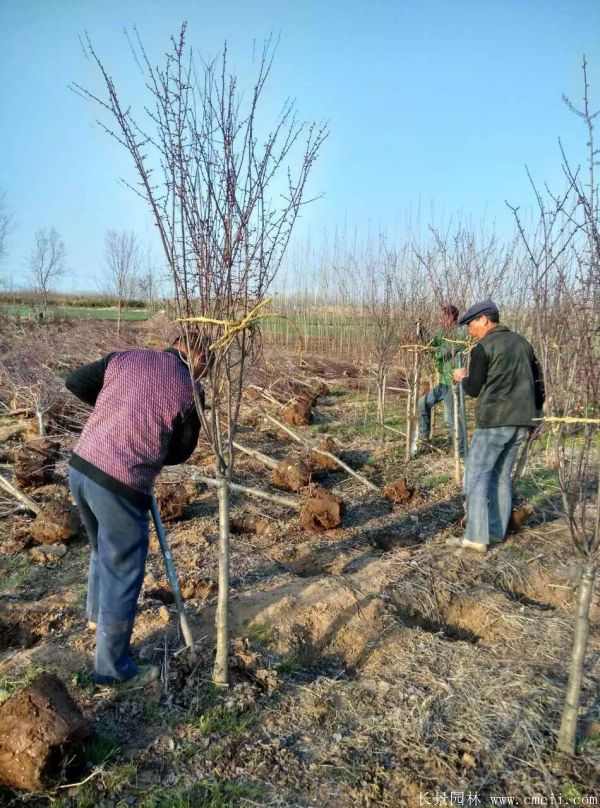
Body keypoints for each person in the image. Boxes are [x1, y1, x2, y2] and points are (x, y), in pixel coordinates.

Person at [65, 332, 207, 686]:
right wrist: (148, 436)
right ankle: (111, 670)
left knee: (102, 549)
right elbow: (181, 452)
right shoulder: (191, 389)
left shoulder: (127, 358)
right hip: (121, 483)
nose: (206, 374)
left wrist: (117, 408)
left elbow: (76, 381)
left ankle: (97, 617)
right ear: (200, 357)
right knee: (124, 569)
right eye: (208, 365)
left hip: (81, 466)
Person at [448, 300, 544, 552]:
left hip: (494, 421)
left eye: (471, 323)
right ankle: (495, 532)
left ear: (485, 320)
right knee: (501, 477)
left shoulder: (483, 347)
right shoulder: (524, 343)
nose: (469, 329)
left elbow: (473, 389)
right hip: (522, 421)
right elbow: (538, 382)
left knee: (478, 477)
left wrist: (462, 377)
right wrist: (536, 415)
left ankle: (476, 538)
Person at [415, 303, 467, 456]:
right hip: (443, 383)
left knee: (452, 418)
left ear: (451, 317)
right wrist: (421, 331)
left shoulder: (460, 334)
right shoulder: (441, 333)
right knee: (422, 404)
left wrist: (433, 352)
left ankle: (460, 450)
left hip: (454, 384)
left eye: (444, 317)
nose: (440, 320)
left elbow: (442, 353)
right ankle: (424, 438)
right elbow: (430, 344)